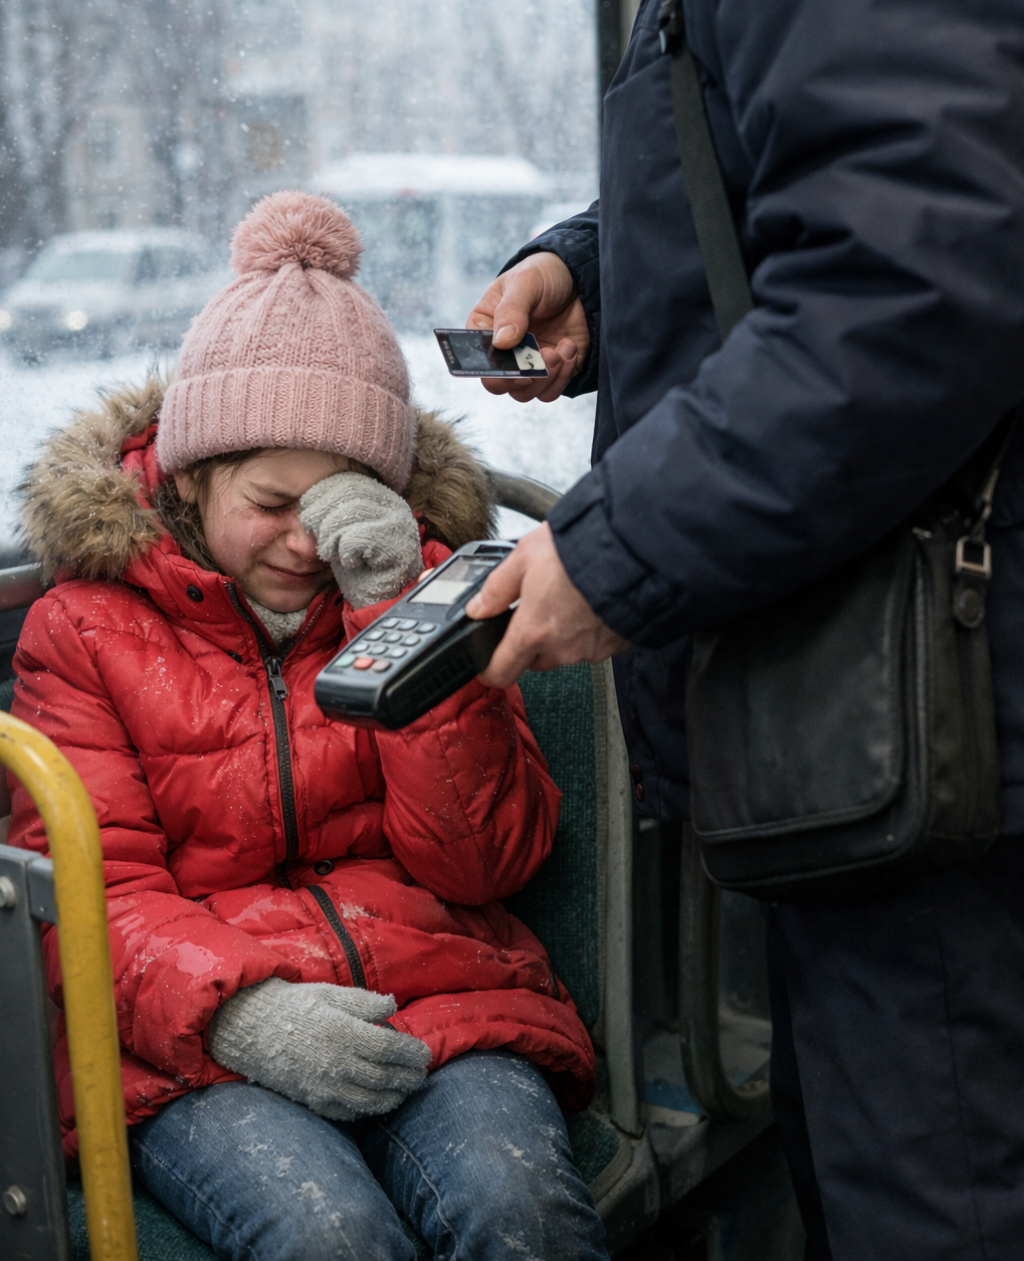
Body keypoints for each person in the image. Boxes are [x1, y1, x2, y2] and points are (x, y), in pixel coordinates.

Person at [463, 1, 1024, 1258]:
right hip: (880, 711)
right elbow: (819, 176)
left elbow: (909, 271)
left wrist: (614, 553)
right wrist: (597, 271)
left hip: (939, 717)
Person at [9, 190, 609, 1261]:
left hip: (435, 991)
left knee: (520, 1210)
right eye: (273, 500)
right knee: (328, 1234)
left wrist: (396, 615)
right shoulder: (85, 630)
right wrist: (238, 1013)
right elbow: (98, 896)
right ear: (191, 475)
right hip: (200, 1038)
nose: (305, 538)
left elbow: (483, 864)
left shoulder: (429, 594)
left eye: (344, 501)